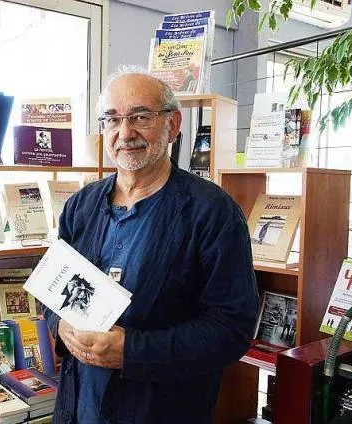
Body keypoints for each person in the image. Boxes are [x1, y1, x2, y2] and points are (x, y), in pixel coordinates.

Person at [41, 69, 259, 424]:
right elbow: (50, 291)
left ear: (173, 125)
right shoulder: (81, 206)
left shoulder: (213, 213)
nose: (125, 133)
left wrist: (132, 352)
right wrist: (61, 327)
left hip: (163, 410)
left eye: (141, 117)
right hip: (78, 408)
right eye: (112, 119)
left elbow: (231, 329)